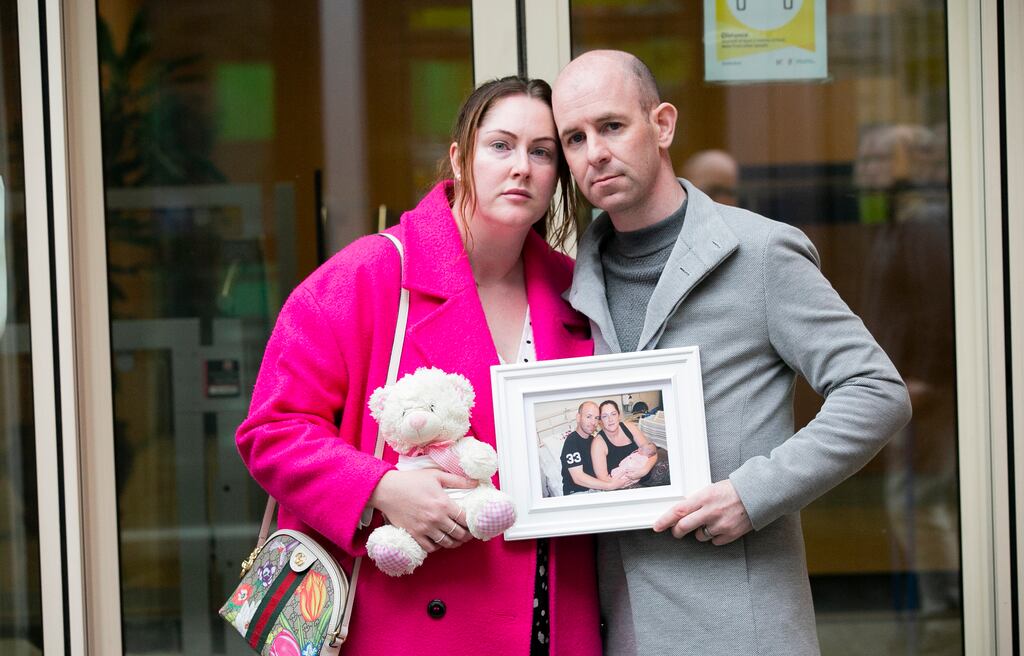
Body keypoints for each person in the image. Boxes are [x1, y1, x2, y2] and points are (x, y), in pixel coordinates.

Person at [552, 50, 912, 655]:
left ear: (662, 125)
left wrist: (753, 493)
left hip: (740, 623)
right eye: (574, 138)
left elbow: (877, 392)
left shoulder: (760, 253)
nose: (595, 152)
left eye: (612, 126)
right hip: (619, 624)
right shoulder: (568, 280)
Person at [236, 76, 601, 655]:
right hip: (408, 618)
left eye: (542, 151)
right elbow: (272, 430)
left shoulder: (575, 287)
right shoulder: (370, 275)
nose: (522, 168)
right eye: (500, 145)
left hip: (552, 614)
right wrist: (381, 486)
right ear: (459, 157)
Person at [560, 401, 629, 494]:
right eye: (588, 417)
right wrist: (610, 486)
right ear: (578, 417)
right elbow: (578, 478)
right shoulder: (572, 442)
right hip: (578, 492)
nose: (593, 422)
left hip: (598, 488)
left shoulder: (594, 440)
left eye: (596, 418)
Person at [592, 400, 656, 484]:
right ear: (600, 421)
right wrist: (625, 482)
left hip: (647, 476)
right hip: (623, 486)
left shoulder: (630, 427)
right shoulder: (598, 443)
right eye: (605, 416)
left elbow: (652, 452)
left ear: (619, 415)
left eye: (613, 414)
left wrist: (644, 470)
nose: (610, 419)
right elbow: (603, 478)